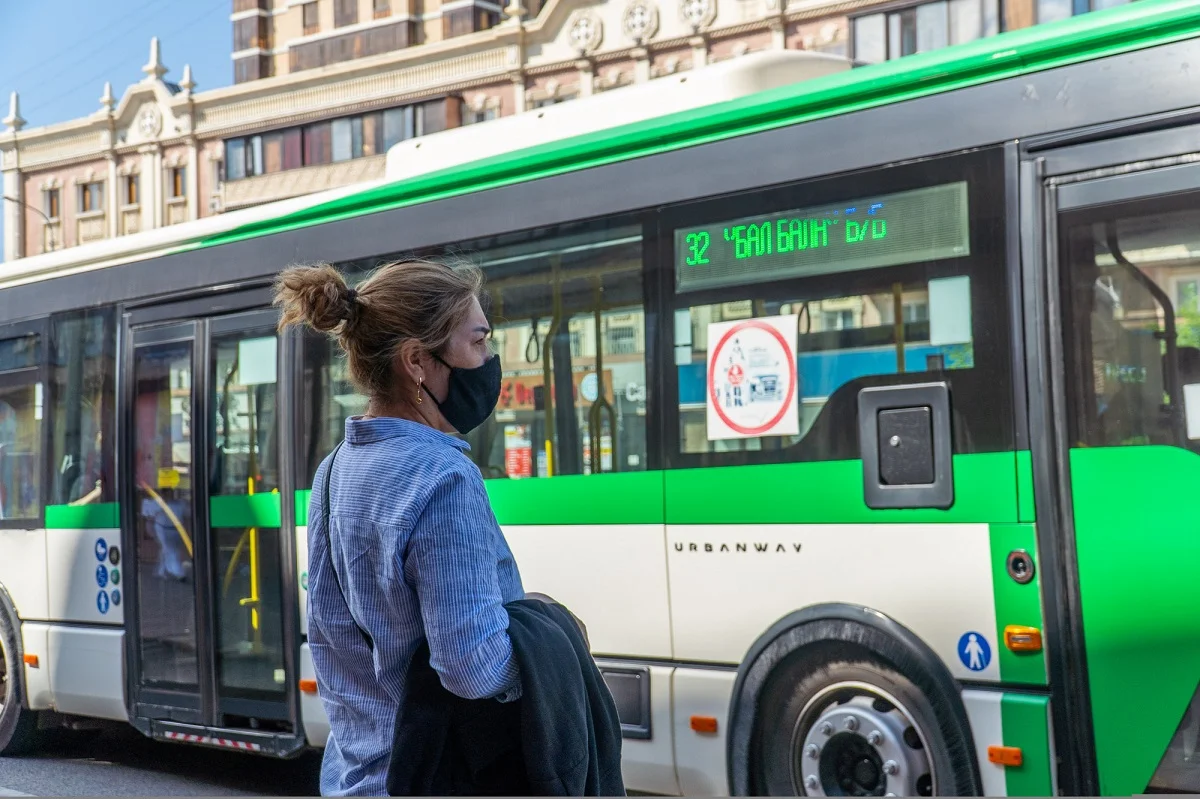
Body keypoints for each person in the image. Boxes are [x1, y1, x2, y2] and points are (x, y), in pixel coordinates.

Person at [274, 260, 524, 797]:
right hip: (435, 776)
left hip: (357, 778)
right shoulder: (443, 476)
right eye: (478, 343)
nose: (489, 361)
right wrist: (551, 649)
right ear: (416, 361)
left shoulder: (334, 470)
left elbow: (329, 640)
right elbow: (472, 668)